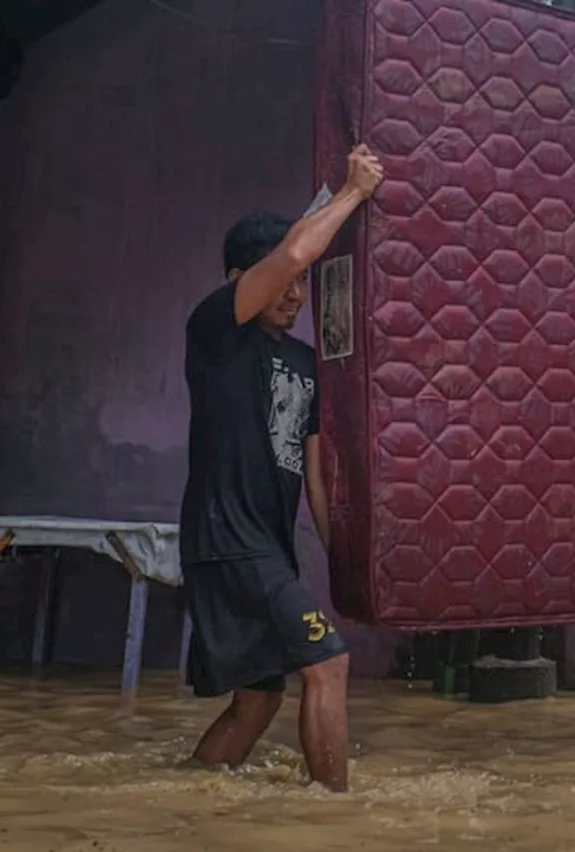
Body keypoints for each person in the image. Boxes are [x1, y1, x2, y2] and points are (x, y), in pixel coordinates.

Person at [179, 144, 383, 791]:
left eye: (303, 286)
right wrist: (352, 193)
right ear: (244, 277)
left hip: (264, 550)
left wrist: (342, 565)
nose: (297, 292)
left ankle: (188, 794)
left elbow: (315, 478)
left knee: (259, 699)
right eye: (285, 282)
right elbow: (295, 251)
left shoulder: (304, 362)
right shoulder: (215, 330)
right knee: (329, 665)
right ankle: (333, 816)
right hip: (228, 542)